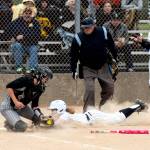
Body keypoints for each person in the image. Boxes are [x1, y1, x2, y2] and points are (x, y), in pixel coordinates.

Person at [70, 17, 117, 112]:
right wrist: (73, 70)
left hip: (103, 66)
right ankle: (89, 111)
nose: (86, 29)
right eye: (84, 27)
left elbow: (111, 45)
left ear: (94, 26)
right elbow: (73, 55)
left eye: (89, 27)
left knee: (109, 88)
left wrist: (115, 59)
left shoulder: (103, 32)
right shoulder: (78, 38)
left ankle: (104, 108)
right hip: (87, 67)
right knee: (90, 89)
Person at [0, 67, 53, 132]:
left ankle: (12, 121)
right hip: (8, 107)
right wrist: (16, 101)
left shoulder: (40, 88)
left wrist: (41, 116)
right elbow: (9, 87)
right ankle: (9, 123)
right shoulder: (26, 79)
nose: (46, 81)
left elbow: (34, 105)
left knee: (39, 120)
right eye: (46, 78)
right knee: (22, 127)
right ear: (40, 76)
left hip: (22, 107)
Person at [48, 99, 148, 125]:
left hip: (94, 117)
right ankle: (136, 106)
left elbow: (55, 125)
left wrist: (40, 125)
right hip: (92, 116)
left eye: (53, 110)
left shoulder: (63, 116)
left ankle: (138, 105)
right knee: (116, 117)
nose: (52, 112)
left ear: (60, 109)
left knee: (118, 118)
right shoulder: (63, 115)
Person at [6, 7, 41, 73]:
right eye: (26, 13)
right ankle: (19, 68)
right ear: (22, 14)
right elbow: (7, 32)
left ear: (32, 15)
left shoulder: (35, 22)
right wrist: (14, 36)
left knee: (34, 49)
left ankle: (32, 69)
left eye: (29, 13)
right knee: (17, 45)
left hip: (31, 44)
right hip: (20, 44)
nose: (27, 15)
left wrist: (24, 36)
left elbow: (37, 35)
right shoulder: (16, 22)